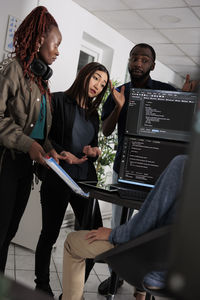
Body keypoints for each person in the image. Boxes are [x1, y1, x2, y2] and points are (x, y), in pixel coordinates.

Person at [99, 43, 177, 294]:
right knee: (120, 223)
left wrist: (186, 98)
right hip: (124, 169)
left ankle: (141, 284)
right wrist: (120, 106)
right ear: (129, 61)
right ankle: (115, 277)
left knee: (149, 226)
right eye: (135, 58)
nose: (138, 63)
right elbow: (106, 130)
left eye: (144, 60)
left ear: (152, 65)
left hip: (155, 173)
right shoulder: (118, 91)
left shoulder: (166, 91)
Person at [60, 154, 187, 300]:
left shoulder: (183, 165)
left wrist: (113, 234)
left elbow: (144, 225)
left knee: (72, 242)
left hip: (155, 267)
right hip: (185, 272)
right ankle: (141, 293)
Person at [0, 6, 66, 275]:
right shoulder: (12, 70)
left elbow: (38, 132)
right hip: (6, 165)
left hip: (25, 170)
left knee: (8, 234)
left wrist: (51, 150)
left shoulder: (41, 82)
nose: (58, 51)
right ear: (39, 40)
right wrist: (30, 146)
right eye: (56, 44)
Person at [34, 62, 110, 297]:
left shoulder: (93, 115)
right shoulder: (55, 100)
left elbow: (94, 146)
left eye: (103, 84)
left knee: (94, 235)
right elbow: (41, 136)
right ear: (84, 75)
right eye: (96, 78)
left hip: (84, 183)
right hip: (58, 178)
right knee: (50, 234)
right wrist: (61, 153)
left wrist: (94, 152)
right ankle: (42, 286)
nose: (98, 85)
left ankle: (70, 293)